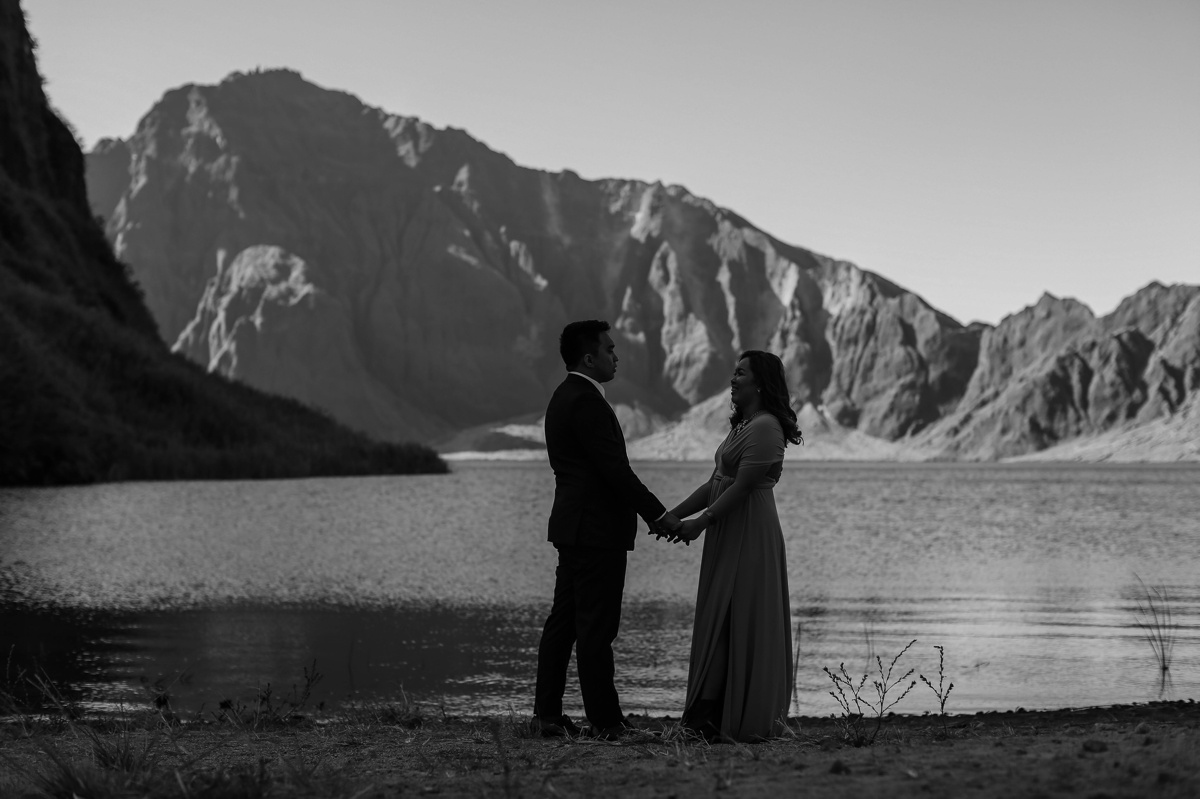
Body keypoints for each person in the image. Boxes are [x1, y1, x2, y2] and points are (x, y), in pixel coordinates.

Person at [533, 320, 682, 740]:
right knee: (596, 629)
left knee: (563, 624)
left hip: (575, 528)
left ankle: (546, 716)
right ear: (589, 357)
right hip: (595, 532)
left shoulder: (566, 396)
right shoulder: (585, 401)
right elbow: (614, 471)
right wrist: (659, 514)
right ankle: (607, 723)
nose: (616, 356)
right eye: (610, 349)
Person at [663, 349, 803, 742]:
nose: (733, 379)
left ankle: (732, 716)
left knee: (741, 614)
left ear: (760, 383)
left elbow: (742, 487)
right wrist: (673, 515)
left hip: (749, 532)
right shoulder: (742, 426)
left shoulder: (766, 427)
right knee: (721, 616)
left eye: (740, 373)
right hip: (728, 528)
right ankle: (708, 713)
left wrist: (701, 524)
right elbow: (715, 484)